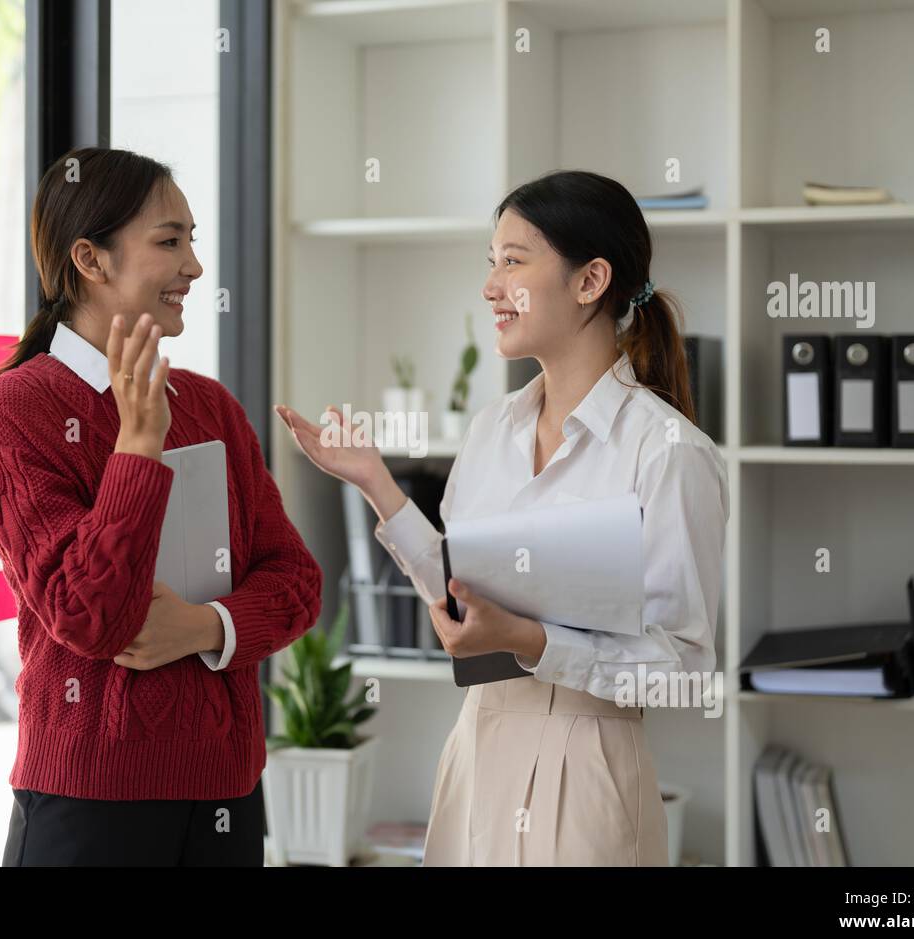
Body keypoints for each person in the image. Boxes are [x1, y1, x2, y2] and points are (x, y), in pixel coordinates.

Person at [276, 170, 729, 866]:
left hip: (590, 767)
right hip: (478, 749)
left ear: (590, 281)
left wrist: (532, 639)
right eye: (491, 263)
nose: (491, 287)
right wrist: (376, 485)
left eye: (513, 261)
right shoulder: (492, 430)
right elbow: (462, 584)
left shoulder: (667, 451)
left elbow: (686, 669)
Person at [0, 146, 322, 866]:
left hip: (226, 797)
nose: (193, 266)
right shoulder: (10, 413)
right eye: (169, 241)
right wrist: (136, 447)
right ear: (91, 261)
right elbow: (87, 614)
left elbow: (296, 583)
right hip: (89, 806)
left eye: (192, 241)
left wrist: (204, 627)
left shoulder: (212, 405)